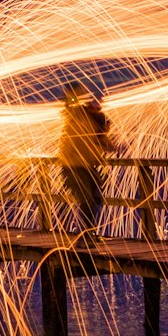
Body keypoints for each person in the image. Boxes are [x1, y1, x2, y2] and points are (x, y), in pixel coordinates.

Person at [57, 81, 113, 239]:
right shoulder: (79, 114)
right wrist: (72, 98)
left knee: (93, 198)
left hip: (87, 165)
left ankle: (86, 234)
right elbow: (69, 107)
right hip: (74, 165)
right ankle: (82, 235)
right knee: (87, 199)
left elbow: (102, 142)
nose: (97, 104)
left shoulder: (96, 121)